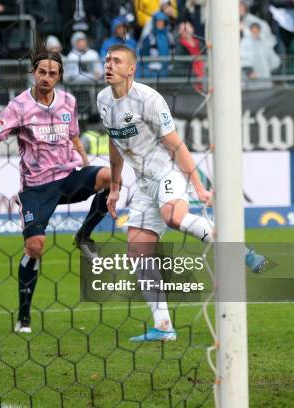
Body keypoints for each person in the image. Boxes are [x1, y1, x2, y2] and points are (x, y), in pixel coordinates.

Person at [98, 45, 267, 342]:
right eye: (107, 60)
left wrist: (198, 186)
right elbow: (115, 144)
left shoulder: (148, 99)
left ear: (131, 69)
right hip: (143, 182)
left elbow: (175, 144)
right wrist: (114, 186)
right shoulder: (103, 100)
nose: (109, 65)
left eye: (116, 61)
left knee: (173, 215)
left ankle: (238, 251)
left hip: (169, 171)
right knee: (138, 251)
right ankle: (163, 327)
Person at [0, 51, 112, 333]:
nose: (46, 78)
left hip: (68, 176)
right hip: (37, 188)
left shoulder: (69, 101)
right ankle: (23, 317)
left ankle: (84, 236)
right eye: (41, 72)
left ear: (60, 76)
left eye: (52, 73)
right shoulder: (18, 106)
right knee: (35, 247)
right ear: (33, 73)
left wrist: (85, 167)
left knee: (111, 176)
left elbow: (74, 136)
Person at [241, 23, 281, 90]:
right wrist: (249, 72)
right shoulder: (245, 42)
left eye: (257, 31)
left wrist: (273, 71)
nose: (255, 33)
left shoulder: (263, 42)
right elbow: (244, 58)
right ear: (250, 30)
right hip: (251, 79)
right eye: (254, 31)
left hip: (265, 77)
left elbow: (273, 58)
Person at [139, 11, 174, 78]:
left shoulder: (169, 37)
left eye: (162, 21)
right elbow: (143, 54)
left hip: (165, 70)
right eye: (158, 21)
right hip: (151, 71)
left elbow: (172, 51)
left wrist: (170, 66)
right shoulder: (149, 37)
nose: (160, 23)